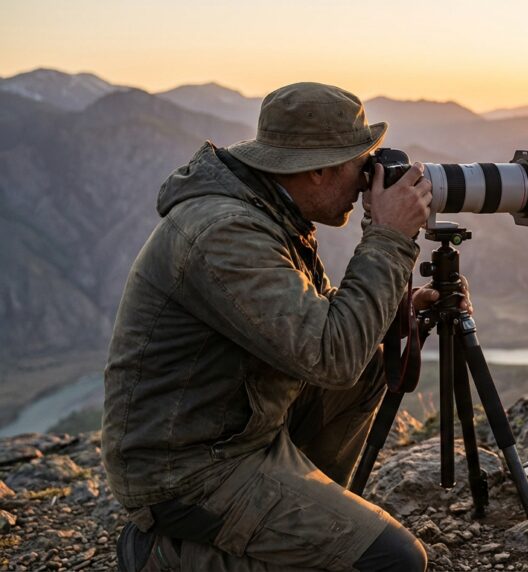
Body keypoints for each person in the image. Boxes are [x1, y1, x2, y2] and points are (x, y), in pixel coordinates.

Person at [102, 82, 467, 571]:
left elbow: (311, 328)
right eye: (360, 163)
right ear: (316, 170)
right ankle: (164, 555)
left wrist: (393, 307)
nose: (367, 179)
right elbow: (330, 355)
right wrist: (388, 237)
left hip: (238, 426)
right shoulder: (224, 232)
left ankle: (303, 524)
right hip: (188, 468)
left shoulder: (267, 210)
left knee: (373, 364)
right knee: (394, 561)